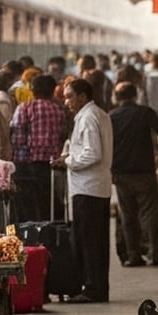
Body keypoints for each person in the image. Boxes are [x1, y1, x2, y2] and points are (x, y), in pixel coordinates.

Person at [109, 80, 158, 266]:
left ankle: (133, 256)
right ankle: (157, 253)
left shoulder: (112, 116)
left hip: (120, 173)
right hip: (144, 172)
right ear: (135, 95)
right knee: (150, 214)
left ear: (117, 97)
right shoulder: (144, 113)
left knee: (128, 215)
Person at [61, 77, 114, 301]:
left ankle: (93, 288)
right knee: (97, 241)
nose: (66, 102)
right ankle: (97, 287)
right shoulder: (98, 114)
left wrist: (68, 161)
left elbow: (93, 153)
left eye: (69, 96)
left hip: (87, 188)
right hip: (95, 187)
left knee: (89, 241)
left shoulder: (89, 117)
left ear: (82, 96)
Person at [10, 73, 67, 222]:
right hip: (52, 165)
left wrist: (18, 163)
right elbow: (63, 136)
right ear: (52, 90)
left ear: (33, 89)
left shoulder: (24, 108)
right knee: (49, 204)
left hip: (29, 165)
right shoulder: (59, 110)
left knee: (29, 207)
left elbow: (18, 138)